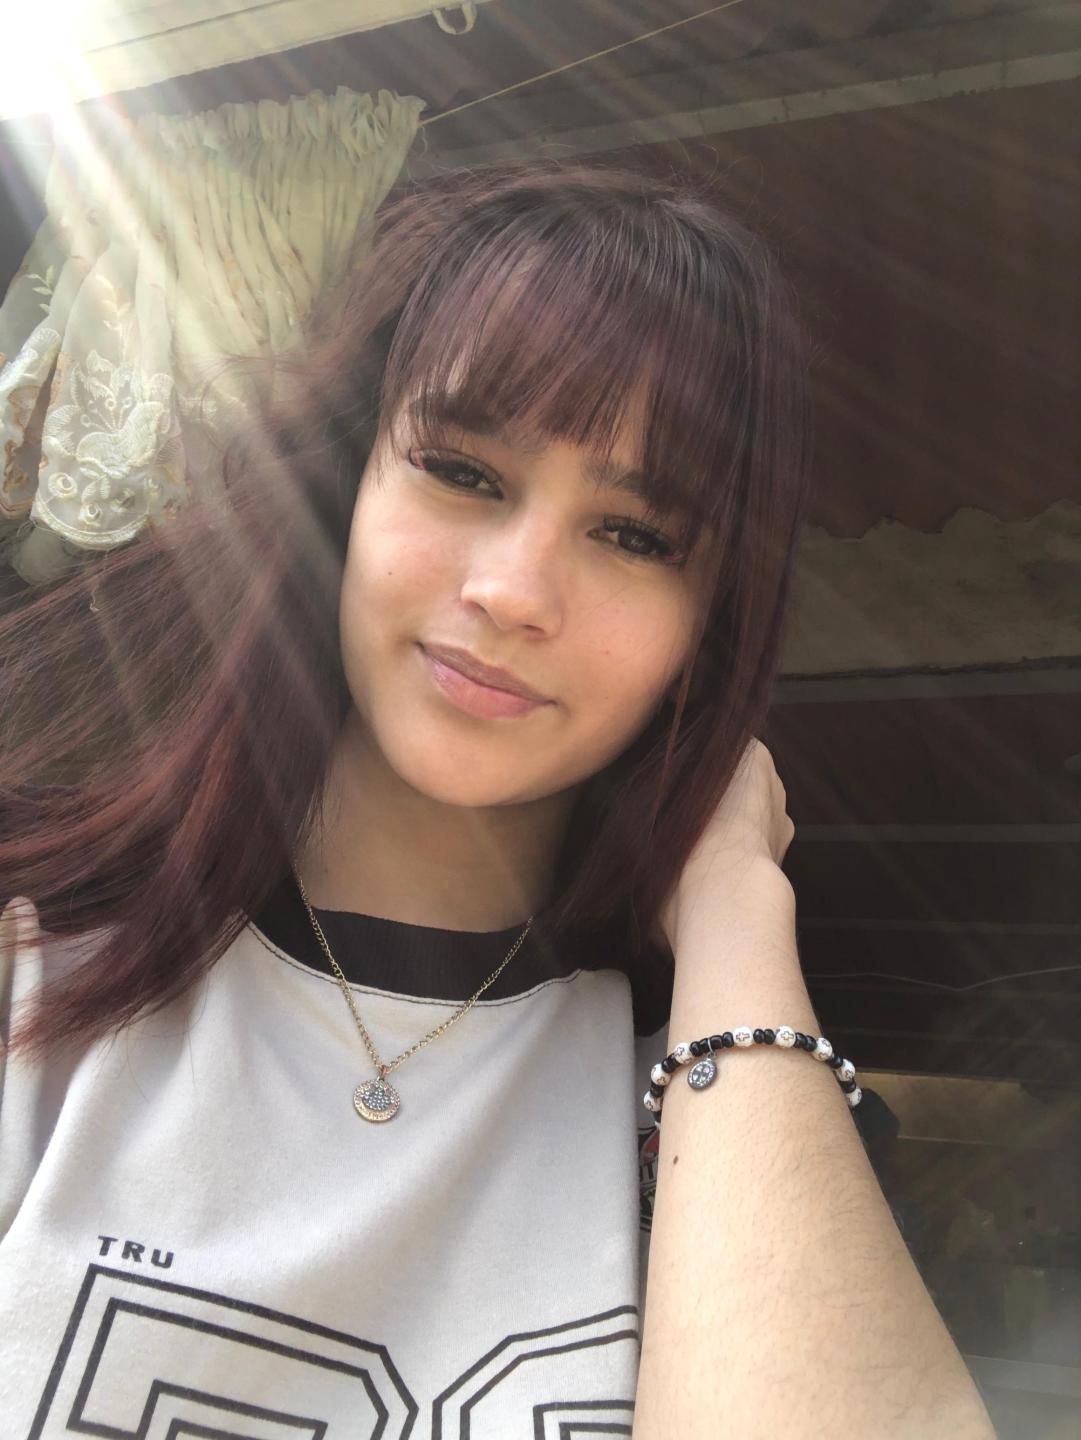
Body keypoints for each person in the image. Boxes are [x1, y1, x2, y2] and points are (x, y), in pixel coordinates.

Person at [0, 159, 995, 1436]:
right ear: (347, 490)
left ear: (710, 629)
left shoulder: (731, 1103)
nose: (516, 590)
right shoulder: (40, 962)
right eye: (462, 471)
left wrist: (737, 902)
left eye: (635, 536)